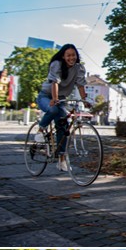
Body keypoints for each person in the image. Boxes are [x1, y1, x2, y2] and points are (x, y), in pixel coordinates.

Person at [36, 44, 88, 174]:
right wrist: (54, 99)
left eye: (73, 55)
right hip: (46, 96)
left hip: (61, 98)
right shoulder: (57, 64)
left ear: (76, 56)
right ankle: (40, 130)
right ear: (63, 56)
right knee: (53, 110)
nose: (71, 58)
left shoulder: (79, 68)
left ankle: (61, 159)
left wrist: (84, 100)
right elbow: (55, 82)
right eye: (68, 55)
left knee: (64, 125)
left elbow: (80, 85)